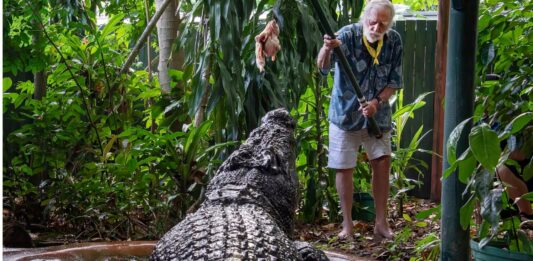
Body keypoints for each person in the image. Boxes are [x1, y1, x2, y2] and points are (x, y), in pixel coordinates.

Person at [316, 0, 402, 240]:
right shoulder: (346, 35)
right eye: (372, 22)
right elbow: (322, 68)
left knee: (382, 162)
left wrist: (377, 102)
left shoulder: (394, 41)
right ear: (364, 18)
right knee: (344, 167)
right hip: (345, 115)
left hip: (378, 115)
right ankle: (347, 226)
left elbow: (394, 81)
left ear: (389, 24)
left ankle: (381, 223)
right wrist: (327, 48)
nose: (375, 27)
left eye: (382, 24)